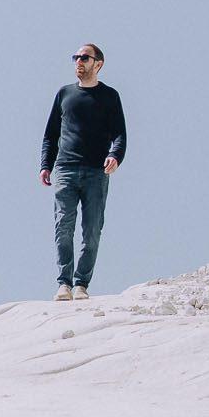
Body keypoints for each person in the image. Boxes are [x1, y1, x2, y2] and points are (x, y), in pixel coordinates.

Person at [39, 44, 127, 301]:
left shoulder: (110, 96)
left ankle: (81, 284)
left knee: (91, 230)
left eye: (84, 57)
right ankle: (63, 283)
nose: (78, 61)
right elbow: (50, 134)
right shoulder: (64, 94)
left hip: (96, 172)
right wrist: (46, 164)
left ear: (97, 64)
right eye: (76, 57)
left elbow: (120, 134)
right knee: (63, 226)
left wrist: (115, 155)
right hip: (65, 169)